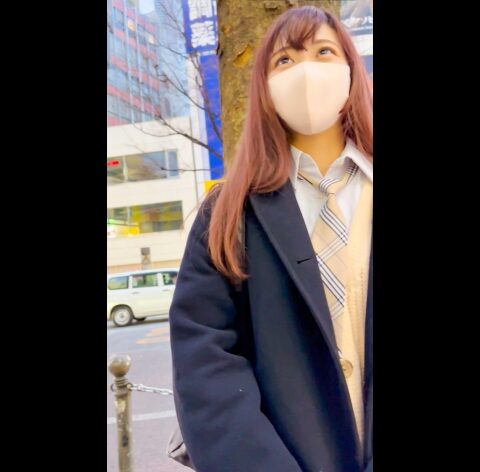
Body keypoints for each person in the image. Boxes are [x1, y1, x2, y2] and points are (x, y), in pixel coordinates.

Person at [169, 5, 372, 472]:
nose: (306, 71)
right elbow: (206, 360)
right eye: (285, 59)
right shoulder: (227, 213)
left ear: (351, 70)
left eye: (324, 52)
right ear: (264, 85)